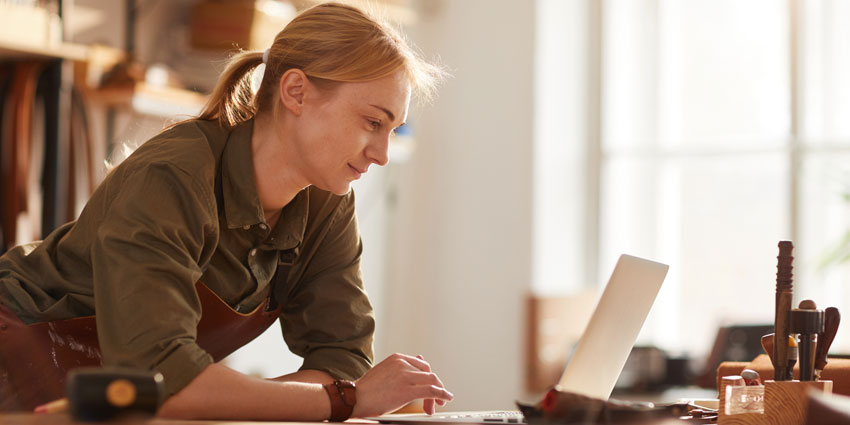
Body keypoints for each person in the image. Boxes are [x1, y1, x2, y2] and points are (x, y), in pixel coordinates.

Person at [0, 2, 452, 421]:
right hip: (14, 360)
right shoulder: (172, 176)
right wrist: (341, 400)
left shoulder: (326, 203)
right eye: (373, 122)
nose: (382, 154)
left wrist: (332, 396)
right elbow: (161, 378)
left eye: (392, 129)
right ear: (296, 92)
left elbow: (342, 361)